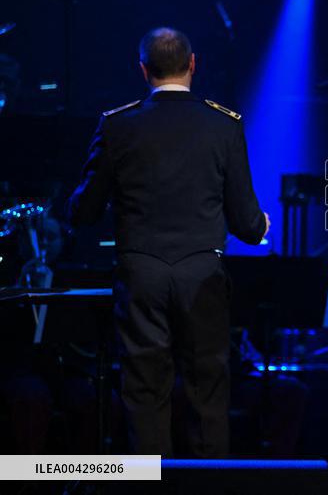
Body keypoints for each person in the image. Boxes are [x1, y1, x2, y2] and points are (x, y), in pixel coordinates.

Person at [66, 27, 269, 457]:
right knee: (208, 389)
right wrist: (260, 225)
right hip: (202, 273)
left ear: (143, 70)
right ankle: (210, 487)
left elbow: (83, 211)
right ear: (193, 64)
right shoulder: (223, 123)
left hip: (141, 273)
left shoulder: (117, 124)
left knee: (143, 390)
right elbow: (246, 221)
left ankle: (148, 487)